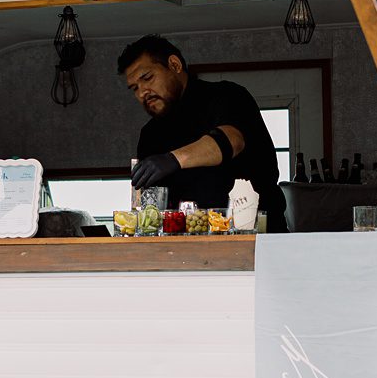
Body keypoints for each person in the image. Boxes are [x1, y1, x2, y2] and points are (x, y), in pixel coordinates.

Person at [117, 35, 289, 233]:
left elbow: (231, 141)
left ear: (174, 64)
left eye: (147, 78)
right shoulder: (150, 134)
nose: (142, 93)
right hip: (186, 248)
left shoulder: (227, 96)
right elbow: (152, 206)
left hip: (258, 237)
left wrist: (172, 159)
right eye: (134, 88)